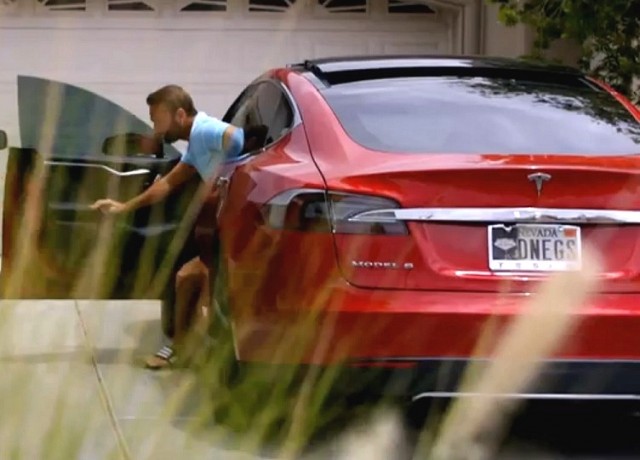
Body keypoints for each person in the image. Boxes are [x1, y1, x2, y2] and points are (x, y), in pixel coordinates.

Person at [91, 84, 246, 369]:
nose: (155, 127)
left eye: (156, 118)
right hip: (220, 232)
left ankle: (201, 354)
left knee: (196, 285)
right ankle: (181, 349)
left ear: (179, 114)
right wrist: (125, 207)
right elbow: (166, 185)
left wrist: (228, 180)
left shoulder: (204, 130)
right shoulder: (196, 145)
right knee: (186, 280)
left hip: (240, 233)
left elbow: (237, 138)